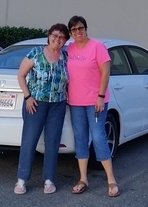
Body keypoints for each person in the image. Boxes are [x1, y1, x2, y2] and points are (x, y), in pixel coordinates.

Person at [67, 15, 120, 197]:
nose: (78, 32)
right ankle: (83, 179)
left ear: (86, 29)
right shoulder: (69, 49)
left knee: (98, 137)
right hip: (75, 102)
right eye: (74, 29)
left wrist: (100, 96)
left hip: (95, 101)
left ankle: (111, 180)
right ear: (71, 33)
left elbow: (106, 73)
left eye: (80, 28)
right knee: (80, 138)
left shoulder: (98, 47)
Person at [14, 23, 69, 195]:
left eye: (62, 37)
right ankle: (22, 180)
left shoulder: (65, 56)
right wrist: (27, 97)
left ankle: (49, 179)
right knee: (29, 141)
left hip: (58, 104)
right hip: (35, 103)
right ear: (49, 36)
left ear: (65, 40)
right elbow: (21, 75)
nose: (57, 39)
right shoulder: (36, 53)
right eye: (55, 35)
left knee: (53, 142)